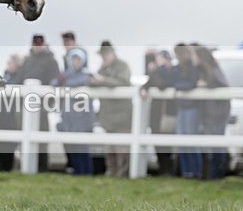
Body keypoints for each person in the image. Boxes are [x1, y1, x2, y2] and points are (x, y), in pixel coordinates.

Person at [89, 40, 132, 177]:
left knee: (122, 150)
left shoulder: (123, 66)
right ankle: (111, 173)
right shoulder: (102, 68)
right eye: (102, 55)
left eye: (106, 54)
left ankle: (122, 175)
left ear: (113, 53)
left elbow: (123, 83)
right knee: (109, 149)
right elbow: (93, 81)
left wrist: (103, 81)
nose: (104, 57)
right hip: (108, 117)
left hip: (122, 117)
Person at [20, 34, 60, 171]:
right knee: (25, 136)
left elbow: (54, 82)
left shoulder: (51, 61)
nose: (37, 46)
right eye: (35, 43)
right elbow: (21, 78)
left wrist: (49, 104)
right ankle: (27, 165)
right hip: (26, 106)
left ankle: (43, 167)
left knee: (42, 139)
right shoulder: (27, 60)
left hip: (42, 106)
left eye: (39, 43)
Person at [53, 47, 95, 175]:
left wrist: (65, 83)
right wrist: (59, 81)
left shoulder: (87, 74)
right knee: (72, 148)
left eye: (78, 59)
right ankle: (78, 173)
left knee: (82, 148)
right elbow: (53, 83)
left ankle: (86, 173)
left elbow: (82, 81)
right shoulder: (66, 74)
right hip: (69, 117)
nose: (76, 62)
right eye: (74, 59)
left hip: (83, 118)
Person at [195, 46, 231, 179]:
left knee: (217, 147)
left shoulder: (214, 70)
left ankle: (217, 175)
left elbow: (223, 87)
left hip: (218, 114)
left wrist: (208, 85)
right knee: (211, 147)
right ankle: (211, 175)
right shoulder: (204, 71)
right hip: (210, 114)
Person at [169, 43, 202, 179]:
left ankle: (196, 171)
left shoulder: (192, 66)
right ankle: (186, 171)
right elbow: (169, 80)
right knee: (181, 139)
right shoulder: (177, 68)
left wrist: (178, 87)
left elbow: (192, 83)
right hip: (182, 107)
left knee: (191, 140)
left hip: (192, 107)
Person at [141, 49, 176, 176]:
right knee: (157, 144)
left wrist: (160, 67)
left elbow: (164, 84)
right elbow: (147, 84)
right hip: (156, 114)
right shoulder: (157, 73)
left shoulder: (172, 72)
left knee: (167, 145)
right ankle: (162, 170)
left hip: (167, 114)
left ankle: (169, 171)